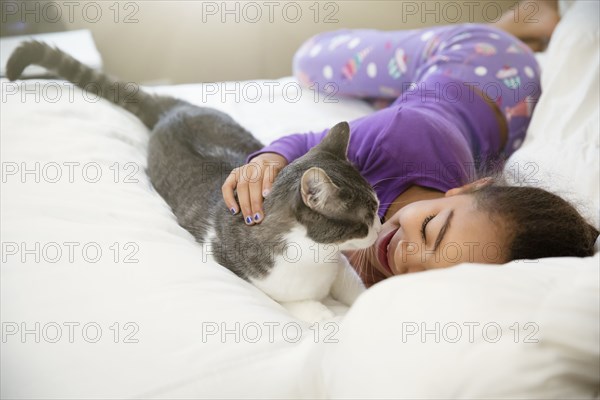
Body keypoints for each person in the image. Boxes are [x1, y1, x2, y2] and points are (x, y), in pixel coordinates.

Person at [221, 2, 599, 287]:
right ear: (468, 188)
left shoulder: (459, 243)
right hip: (479, 58)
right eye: (430, 228)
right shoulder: (399, 135)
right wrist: (267, 160)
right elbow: (304, 143)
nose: (406, 256)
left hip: (512, 117)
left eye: (430, 273)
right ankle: (524, 19)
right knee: (309, 60)